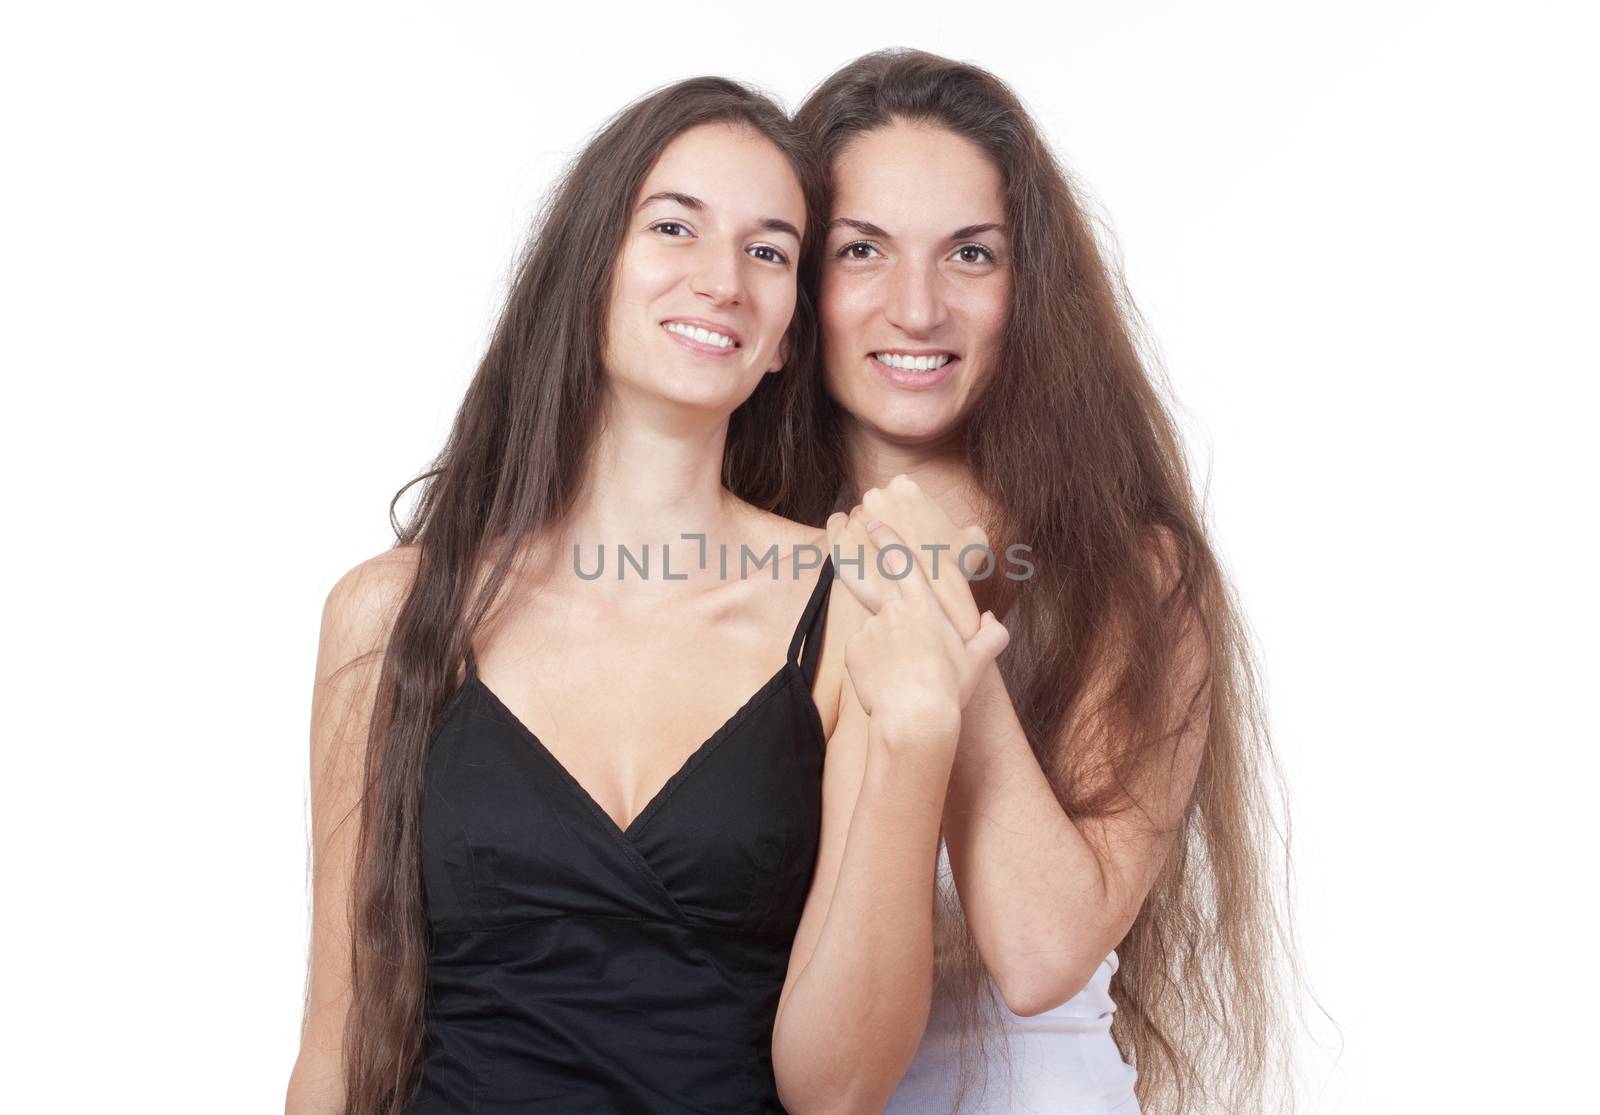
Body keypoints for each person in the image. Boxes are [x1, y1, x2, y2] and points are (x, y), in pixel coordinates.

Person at [283, 77, 1009, 1114]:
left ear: (786, 337)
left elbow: (838, 1089)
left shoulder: (853, 606)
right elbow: (338, 1045)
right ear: (590, 270)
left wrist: (919, 735)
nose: (723, 280)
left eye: (767, 251)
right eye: (675, 226)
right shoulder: (389, 611)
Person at [780, 50, 1302, 1114]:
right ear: (794, 277)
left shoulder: (1133, 573)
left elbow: (1036, 951)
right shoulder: (730, 555)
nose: (916, 307)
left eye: (971, 254)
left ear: (1030, 288)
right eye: (861, 249)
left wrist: (934, 612)